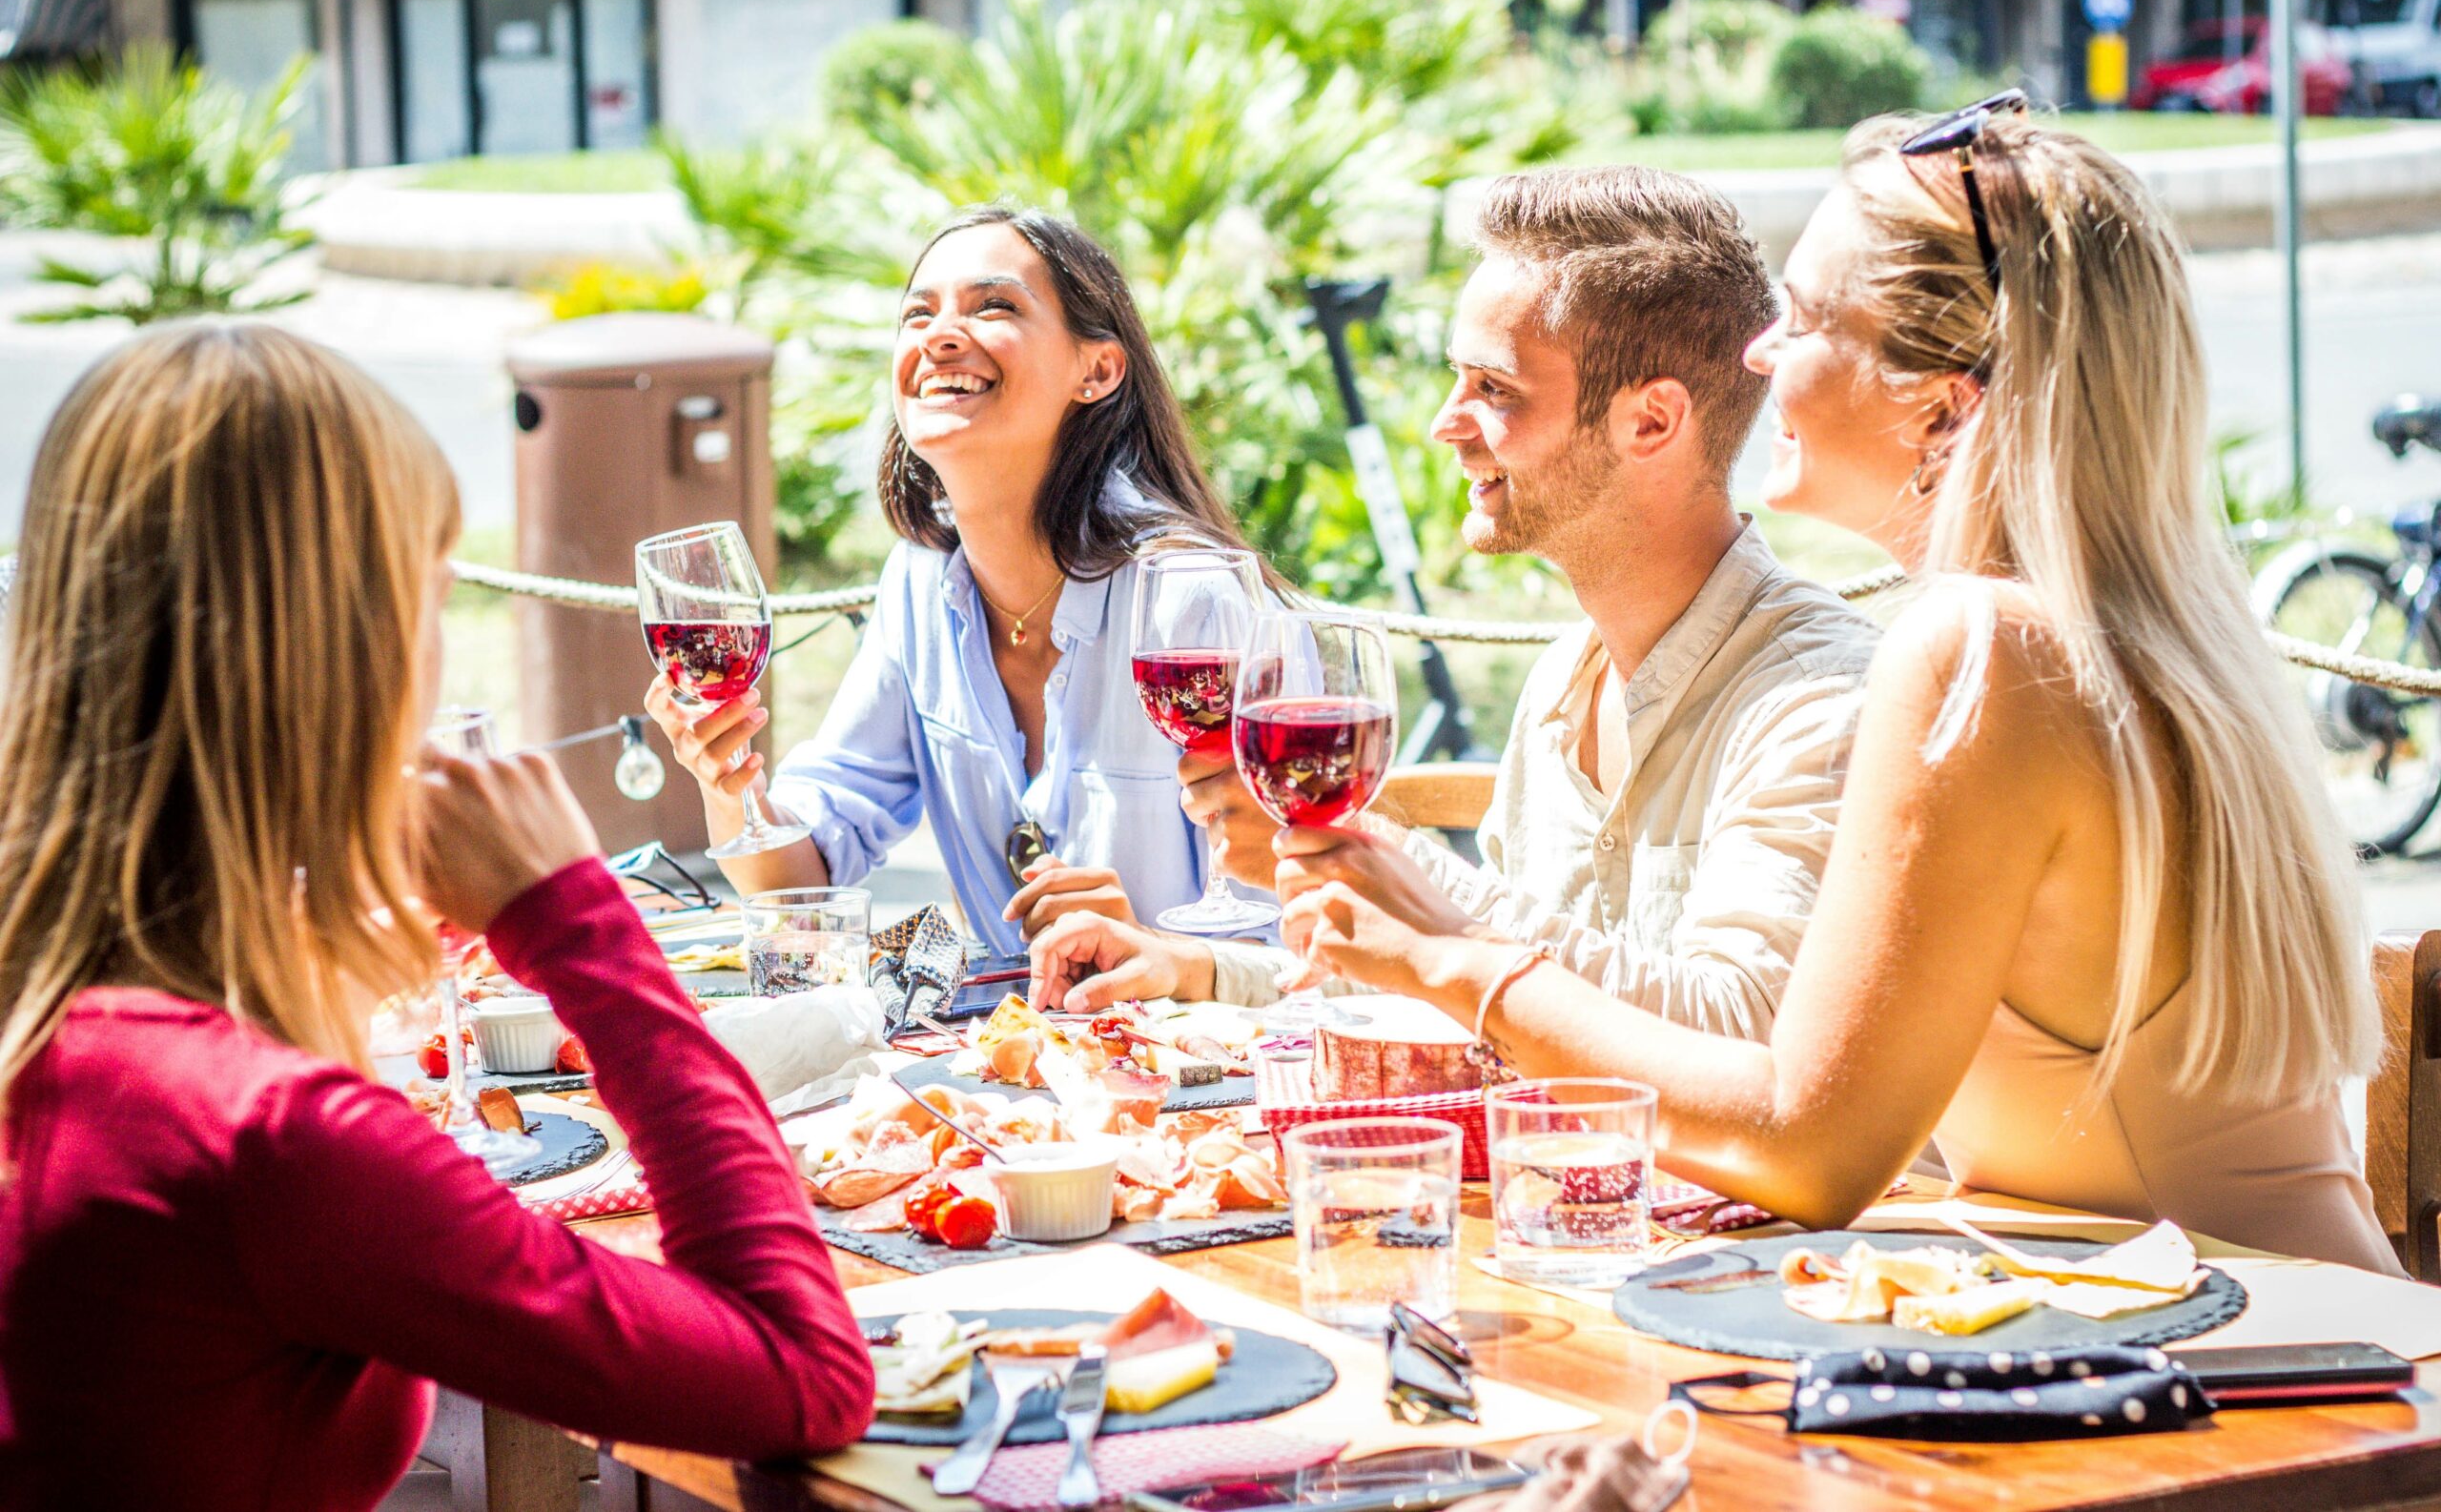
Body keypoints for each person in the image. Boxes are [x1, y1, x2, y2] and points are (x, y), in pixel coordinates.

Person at [1275, 103, 2398, 1274]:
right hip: (2284, 1341)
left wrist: (1446, 960)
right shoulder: (2124, 621)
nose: (1758, 355)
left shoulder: (1980, 648)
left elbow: (1807, 1148)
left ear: (1940, 403)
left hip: (2263, 1382)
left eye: (1805, 319)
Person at [0, 325, 876, 1508]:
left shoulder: (68, 1030)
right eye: (433, 591)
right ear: (344, 654)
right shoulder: (271, 1144)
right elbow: (798, 1370)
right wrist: (573, 922)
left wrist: (324, 940)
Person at [1031, 166, 1879, 1035]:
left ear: (1652, 422)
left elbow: (1739, 1029)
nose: (1446, 421)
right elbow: (1492, 1000)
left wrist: (1397, 869)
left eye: (1494, 388)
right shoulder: (1561, 682)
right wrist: (1197, 969)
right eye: (1456, 379)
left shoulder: (1819, 700)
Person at [650, 206, 1267, 955]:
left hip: (1205, 1061)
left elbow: (1306, 934)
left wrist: (1155, 949)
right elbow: (798, 893)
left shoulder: (1190, 599)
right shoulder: (919, 582)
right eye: (918, 313)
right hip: (1016, 1058)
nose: (940, 335)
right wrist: (729, 786)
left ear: (1097, 370)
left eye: (995, 305)